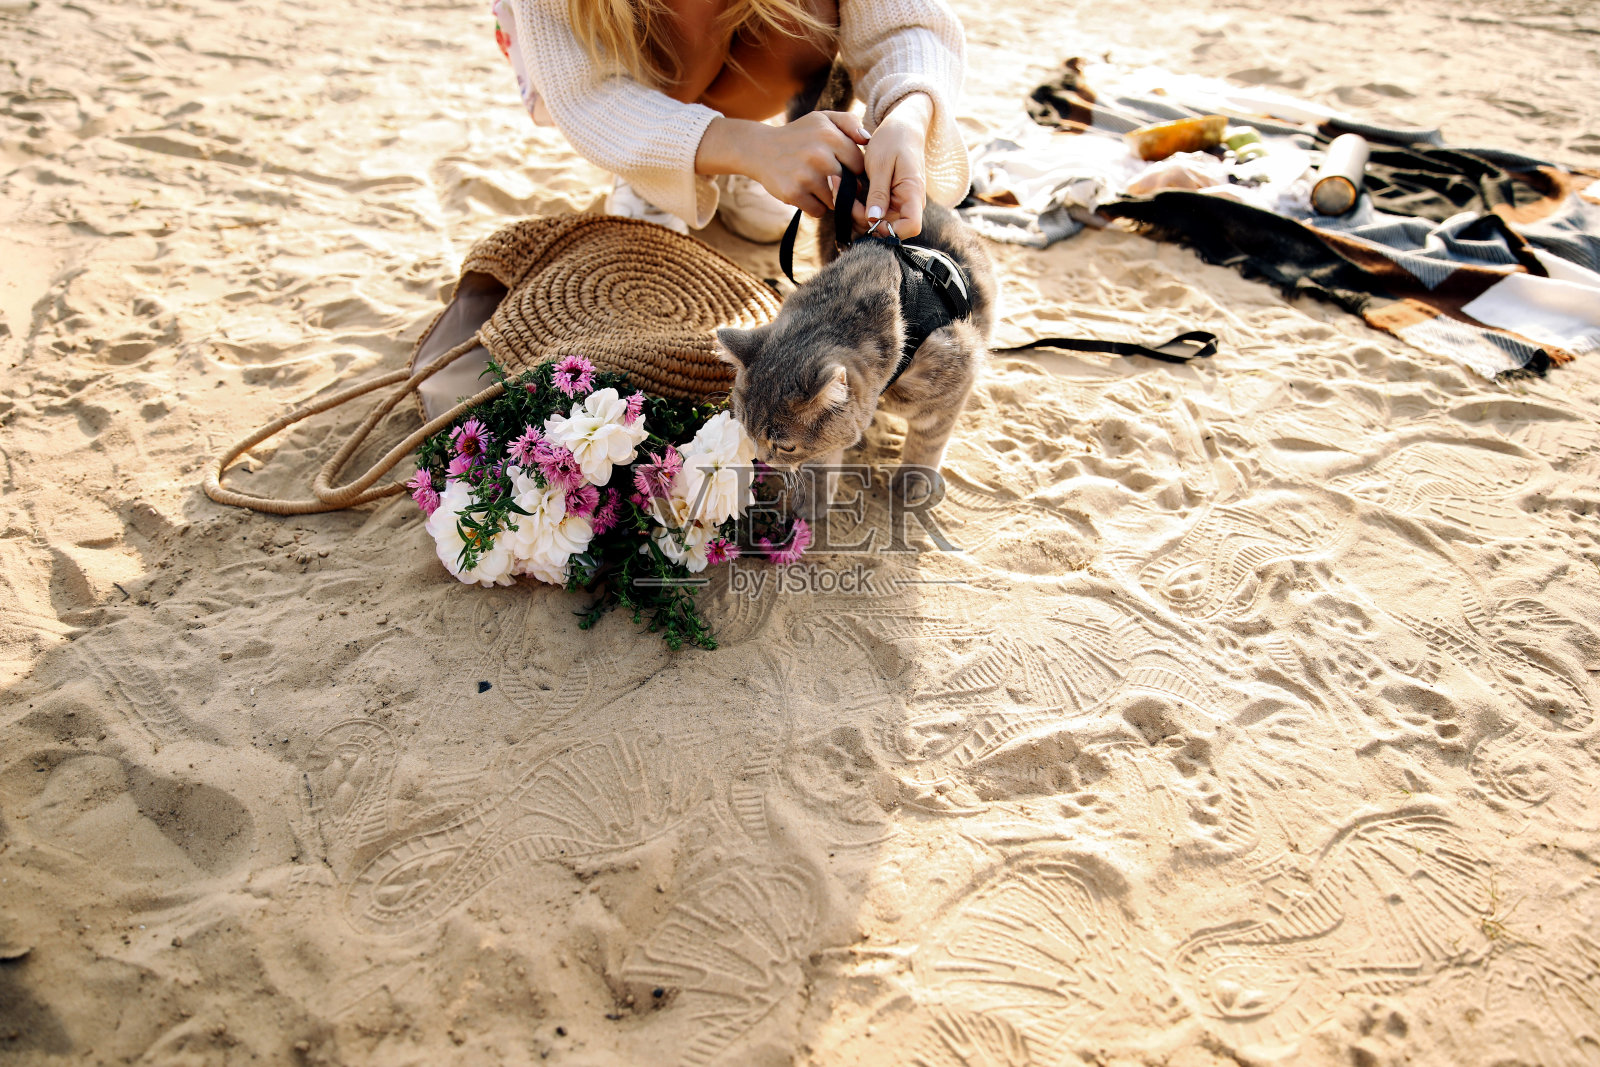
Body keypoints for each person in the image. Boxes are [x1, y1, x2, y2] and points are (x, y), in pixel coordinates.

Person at [491, 0, 969, 242]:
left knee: (806, 8)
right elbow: (586, 91)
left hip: (738, 46)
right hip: (604, 56)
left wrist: (907, 116)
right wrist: (750, 145)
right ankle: (674, 158)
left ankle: (733, 152)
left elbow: (908, 21)